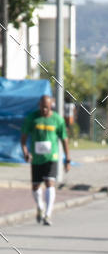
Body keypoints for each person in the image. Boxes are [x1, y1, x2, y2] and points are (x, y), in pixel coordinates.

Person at [20, 94, 70, 226]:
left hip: (51, 157)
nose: (45, 110)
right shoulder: (32, 118)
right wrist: (25, 152)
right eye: (43, 107)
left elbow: (64, 139)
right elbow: (23, 138)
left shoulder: (57, 120)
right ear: (39, 106)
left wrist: (67, 159)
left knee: (49, 183)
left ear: (51, 106)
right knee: (35, 187)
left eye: (47, 108)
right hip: (36, 159)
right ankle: (40, 207)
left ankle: (48, 214)